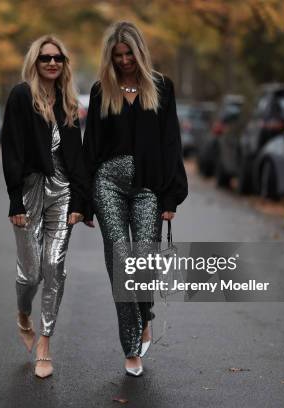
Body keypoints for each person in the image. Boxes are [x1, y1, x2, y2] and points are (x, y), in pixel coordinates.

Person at [83, 21, 188, 377]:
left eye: (129, 53)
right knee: (120, 263)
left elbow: (171, 142)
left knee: (143, 263)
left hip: (149, 188)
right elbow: (90, 148)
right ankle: (130, 348)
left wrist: (172, 196)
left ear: (139, 52)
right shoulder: (102, 90)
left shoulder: (162, 87)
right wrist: (83, 202)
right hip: (107, 185)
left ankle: (145, 316)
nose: (125, 60)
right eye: (118, 55)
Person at [1, 35, 90, 379]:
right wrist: (14, 198)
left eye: (58, 58)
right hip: (30, 189)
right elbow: (11, 149)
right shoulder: (22, 96)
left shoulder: (68, 100)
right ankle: (23, 315)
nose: (52, 63)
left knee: (54, 266)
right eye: (45, 58)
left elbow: (77, 154)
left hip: (63, 190)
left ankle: (45, 344)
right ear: (35, 63)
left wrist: (82, 201)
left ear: (65, 63)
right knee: (30, 273)